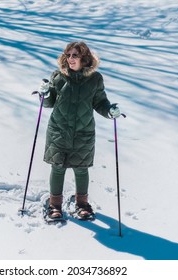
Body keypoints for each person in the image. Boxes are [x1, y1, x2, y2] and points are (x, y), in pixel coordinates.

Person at [38, 41, 121, 221]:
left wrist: (109, 111)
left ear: (84, 58)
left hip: (83, 133)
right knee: (58, 168)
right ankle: (54, 206)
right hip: (58, 131)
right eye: (68, 55)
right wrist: (43, 94)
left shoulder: (95, 79)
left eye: (74, 55)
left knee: (81, 169)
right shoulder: (58, 77)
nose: (70, 59)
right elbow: (48, 103)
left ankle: (82, 205)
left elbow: (100, 102)